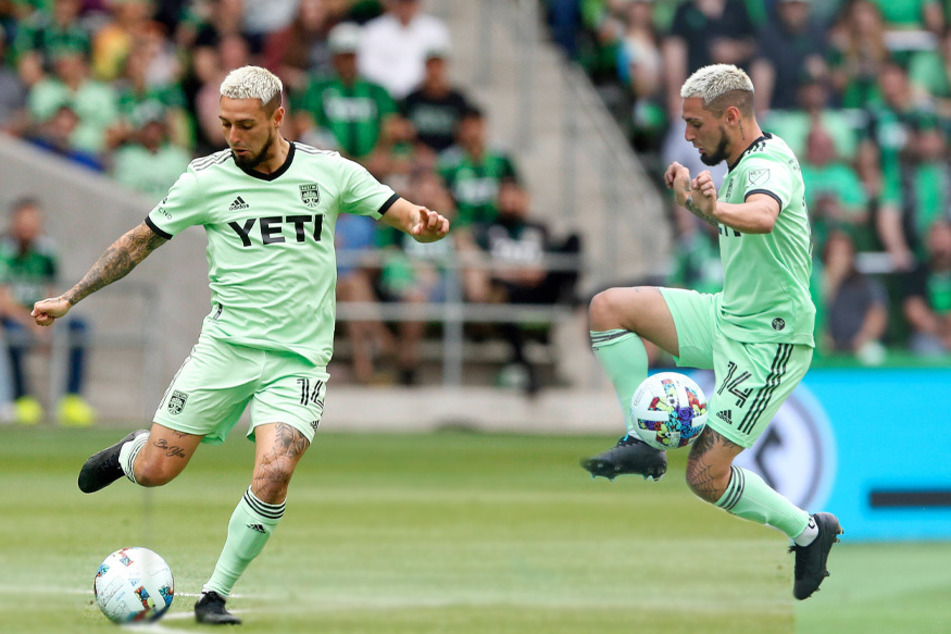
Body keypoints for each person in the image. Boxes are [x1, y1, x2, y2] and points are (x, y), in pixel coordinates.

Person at [31, 65, 449, 625]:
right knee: (158, 470)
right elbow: (138, 242)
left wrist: (419, 224)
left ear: (278, 117)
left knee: (274, 471)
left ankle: (214, 595)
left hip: (297, 361)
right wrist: (72, 297)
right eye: (225, 124)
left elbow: (393, 207)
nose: (232, 137)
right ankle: (133, 452)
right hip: (225, 351)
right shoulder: (206, 179)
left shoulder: (328, 172)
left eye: (245, 125)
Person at [579, 64, 842, 601]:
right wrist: (694, 204)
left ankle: (810, 531)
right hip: (728, 315)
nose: (688, 134)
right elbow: (737, 217)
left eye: (695, 124)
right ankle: (643, 439)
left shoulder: (771, 163)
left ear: (731, 115)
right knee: (609, 308)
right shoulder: (741, 162)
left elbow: (763, 217)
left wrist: (713, 206)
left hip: (771, 342)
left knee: (704, 476)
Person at [0, 198, 95, 426]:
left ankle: (71, 399)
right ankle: (22, 399)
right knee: (13, 333)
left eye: (33, 221)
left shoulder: (46, 251)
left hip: (39, 316)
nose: (28, 227)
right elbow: (2, 300)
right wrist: (29, 322)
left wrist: (49, 319)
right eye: (23, 221)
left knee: (79, 327)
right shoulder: (5, 250)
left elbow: (51, 291)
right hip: (15, 319)